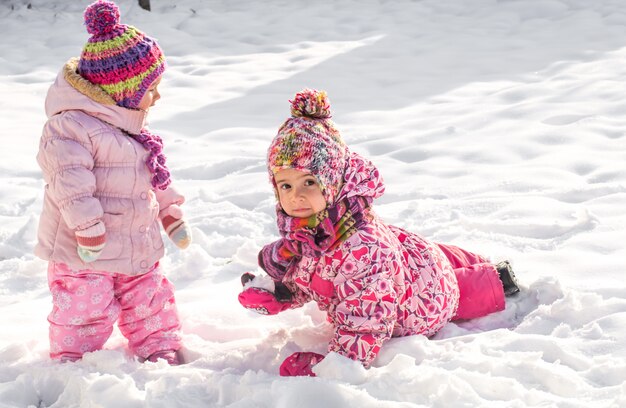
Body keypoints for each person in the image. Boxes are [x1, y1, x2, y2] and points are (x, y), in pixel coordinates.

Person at [238, 88, 520, 376]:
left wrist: (334, 368)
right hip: (411, 259)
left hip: (416, 307)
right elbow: (317, 276)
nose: (296, 196)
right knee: (428, 257)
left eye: (309, 182)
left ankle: (496, 280)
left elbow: (366, 321)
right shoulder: (317, 230)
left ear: (334, 181)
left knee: (450, 291)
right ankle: (464, 263)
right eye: (285, 185)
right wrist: (283, 292)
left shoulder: (361, 251)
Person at [35, 0, 191, 365]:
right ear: (123, 90)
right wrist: (88, 227)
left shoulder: (129, 125)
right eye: (151, 88)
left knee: (149, 297)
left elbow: (152, 173)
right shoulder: (69, 126)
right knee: (83, 307)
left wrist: (169, 212)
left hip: (136, 242)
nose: (157, 96)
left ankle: (158, 346)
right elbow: (68, 181)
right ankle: (74, 360)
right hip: (85, 252)